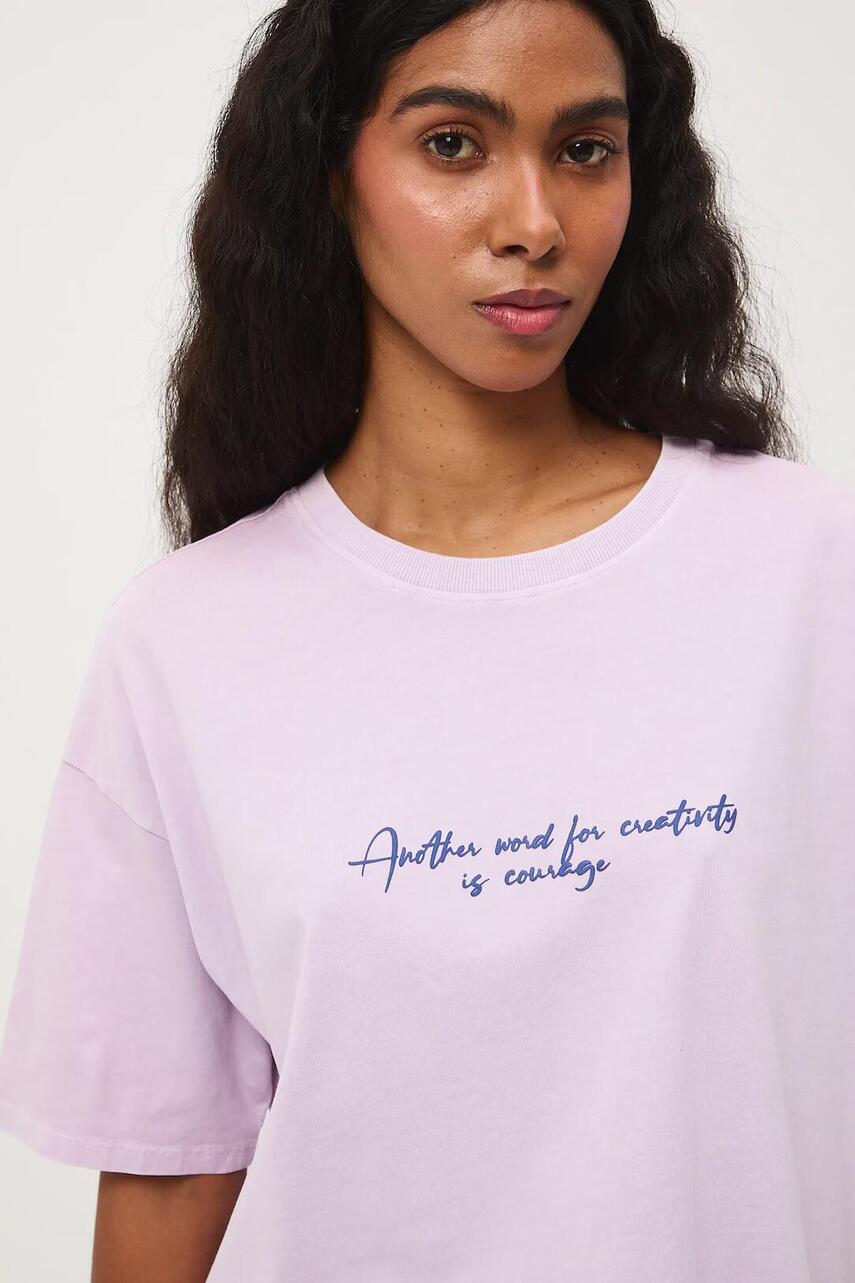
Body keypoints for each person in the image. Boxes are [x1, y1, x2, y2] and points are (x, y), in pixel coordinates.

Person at [1, 0, 853, 1280]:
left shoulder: (813, 569)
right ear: (327, 171)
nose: (536, 222)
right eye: (454, 144)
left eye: (586, 149)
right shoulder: (184, 642)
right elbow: (172, 1188)